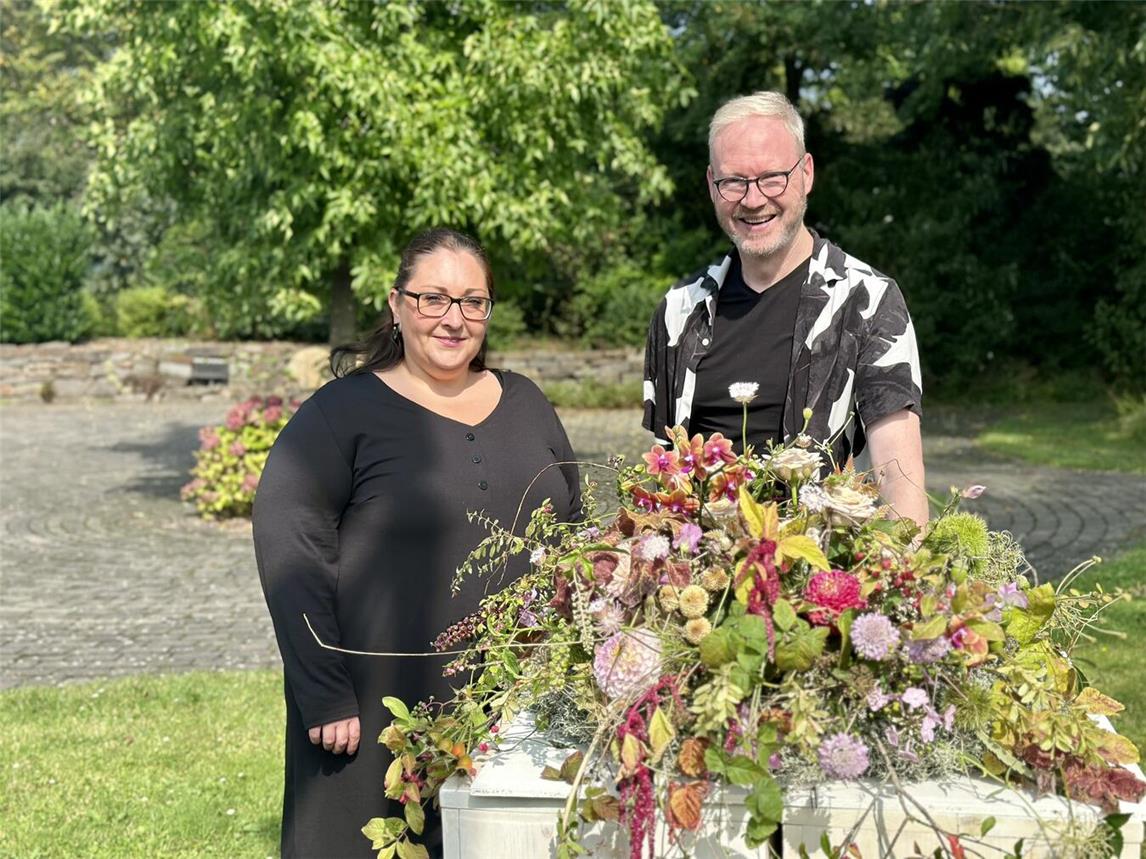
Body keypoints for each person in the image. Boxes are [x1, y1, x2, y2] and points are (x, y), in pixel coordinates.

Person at [253, 227, 581, 858]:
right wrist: (324, 692)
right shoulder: (340, 413)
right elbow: (291, 546)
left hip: (516, 712)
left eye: (472, 301)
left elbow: (572, 536)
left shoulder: (527, 403)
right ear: (397, 304)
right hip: (371, 719)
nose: (453, 319)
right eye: (434, 299)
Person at [642, 91, 927, 527]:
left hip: (817, 577)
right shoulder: (679, 312)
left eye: (772, 177)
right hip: (700, 581)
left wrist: (906, 584)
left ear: (806, 173)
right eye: (733, 181)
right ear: (710, 184)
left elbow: (898, 479)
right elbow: (664, 479)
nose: (753, 200)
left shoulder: (865, 301)